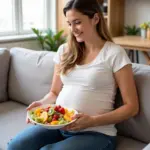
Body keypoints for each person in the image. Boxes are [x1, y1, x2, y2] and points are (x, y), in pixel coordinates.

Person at [7, 0, 139, 150]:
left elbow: (132, 107)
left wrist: (92, 121)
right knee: (15, 146)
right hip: (59, 125)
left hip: (97, 133)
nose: (73, 29)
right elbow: (54, 92)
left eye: (77, 22)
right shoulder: (64, 50)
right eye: (69, 24)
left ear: (95, 19)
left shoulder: (114, 53)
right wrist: (42, 103)